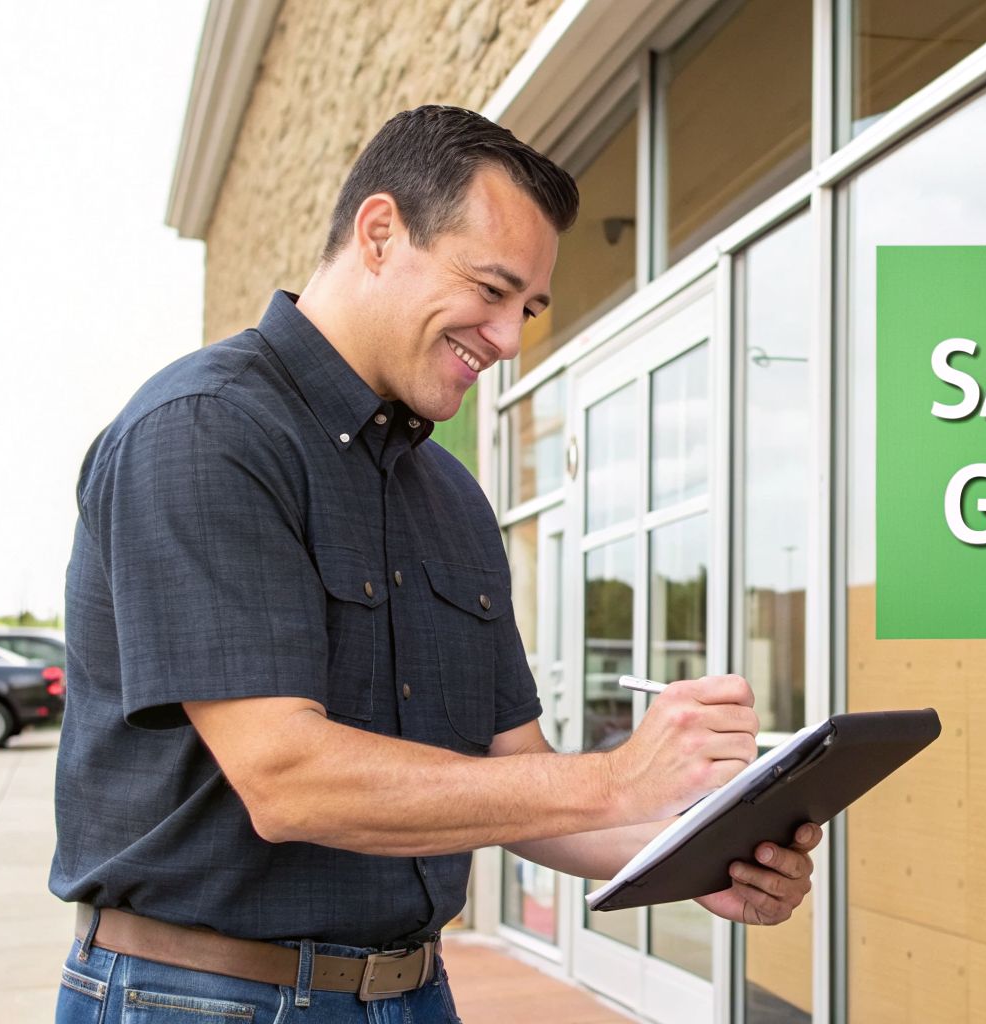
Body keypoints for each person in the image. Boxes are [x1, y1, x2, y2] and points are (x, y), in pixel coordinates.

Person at [51, 105, 819, 1022]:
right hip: (201, 999)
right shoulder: (205, 432)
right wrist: (621, 777)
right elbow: (285, 778)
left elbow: (518, 773)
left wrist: (696, 852)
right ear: (380, 233)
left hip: (414, 995)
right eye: (492, 290)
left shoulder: (450, 496)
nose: (510, 338)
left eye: (528, 307)